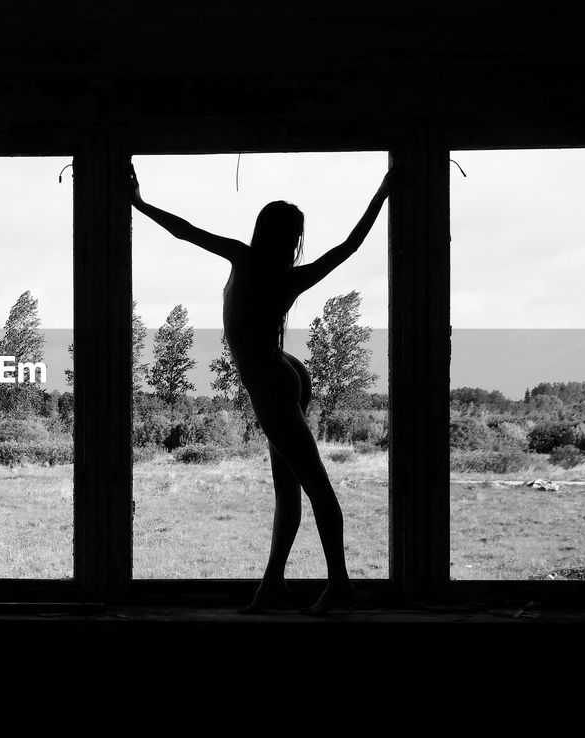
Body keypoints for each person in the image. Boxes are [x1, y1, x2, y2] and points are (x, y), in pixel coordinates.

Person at [130, 164, 394, 615]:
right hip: (281, 373)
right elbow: (349, 247)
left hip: (273, 384)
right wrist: (382, 192)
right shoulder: (287, 276)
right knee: (289, 492)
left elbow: (184, 231)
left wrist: (139, 203)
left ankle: (340, 583)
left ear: (260, 230)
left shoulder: (244, 258)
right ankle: (272, 584)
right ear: (291, 240)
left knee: (314, 487)